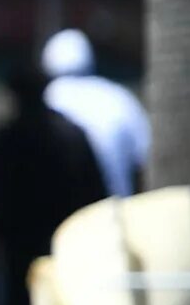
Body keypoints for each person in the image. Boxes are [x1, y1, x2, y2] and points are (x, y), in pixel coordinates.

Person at [0, 70, 108, 305]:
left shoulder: (10, 137)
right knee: (61, 302)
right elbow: (95, 189)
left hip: (24, 239)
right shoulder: (71, 133)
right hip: (65, 237)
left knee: (21, 304)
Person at [41, 28, 149, 200]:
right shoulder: (118, 97)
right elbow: (144, 160)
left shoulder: (46, 99)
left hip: (64, 216)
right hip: (115, 213)